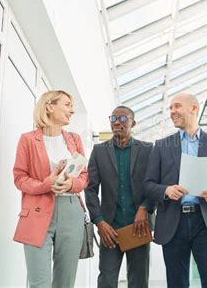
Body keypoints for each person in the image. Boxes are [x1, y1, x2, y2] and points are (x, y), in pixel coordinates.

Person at [143, 93, 207, 288]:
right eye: (170, 108)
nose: (172, 112)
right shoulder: (161, 146)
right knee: (177, 283)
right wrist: (166, 190)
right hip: (173, 223)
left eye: (176, 106)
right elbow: (148, 185)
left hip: (206, 223)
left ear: (193, 109)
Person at [13, 90, 88, 288]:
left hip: (71, 211)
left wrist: (71, 184)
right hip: (37, 211)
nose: (71, 111)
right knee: (39, 283)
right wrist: (46, 184)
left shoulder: (74, 139)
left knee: (65, 283)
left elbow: (84, 176)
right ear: (49, 106)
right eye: (67, 105)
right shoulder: (27, 139)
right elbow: (20, 178)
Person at [85, 106, 155, 288]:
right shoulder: (99, 151)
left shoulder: (148, 150)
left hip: (138, 227)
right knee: (106, 280)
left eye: (123, 119)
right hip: (110, 229)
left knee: (139, 280)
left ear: (133, 123)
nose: (117, 122)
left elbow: (153, 185)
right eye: (113, 118)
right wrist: (99, 222)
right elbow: (90, 189)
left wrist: (145, 208)